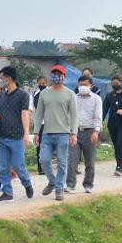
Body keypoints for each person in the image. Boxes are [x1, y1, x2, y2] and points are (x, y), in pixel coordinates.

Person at [33, 64, 77, 201]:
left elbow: (75, 115)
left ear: (64, 76)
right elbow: (39, 113)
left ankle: (59, 189)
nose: (56, 76)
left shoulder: (69, 94)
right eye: (54, 73)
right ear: (51, 75)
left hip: (63, 133)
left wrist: (74, 133)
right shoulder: (44, 93)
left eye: (59, 74)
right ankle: (52, 181)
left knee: (62, 162)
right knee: (44, 160)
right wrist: (35, 133)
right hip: (46, 133)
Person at [0, 66, 35, 202]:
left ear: (9, 78)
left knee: (18, 165)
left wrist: (26, 134)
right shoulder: (1, 96)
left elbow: (25, 114)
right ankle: (7, 192)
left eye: (2, 78)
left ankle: (27, 183)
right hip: (1, 136)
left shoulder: (23, 95)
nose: (0, 81)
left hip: (17, 136)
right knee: (3, 167)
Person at [67, 74, 102, 194]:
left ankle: (88, 184)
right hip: (75, 132)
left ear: (91, 86)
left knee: (90, 161)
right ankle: (70, 184)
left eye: (85, 85)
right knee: (72, 159)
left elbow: (98, 118)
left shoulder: (96, 99)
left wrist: (96, 132)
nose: (83, 87)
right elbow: (69, 115)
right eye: (80, 85)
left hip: (90, 131)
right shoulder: (73, 98)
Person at [31, 74, 49, 176]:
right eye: (40, 83)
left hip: (49, 122)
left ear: (47, 83)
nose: (42, 85)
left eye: (43, 83)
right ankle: (40, 168)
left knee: (48, 145)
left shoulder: (51, 93)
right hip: (38, 123)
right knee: (39, 145)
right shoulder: (34, 94)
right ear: (37, 83)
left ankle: (47, 166)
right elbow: (31, 109)